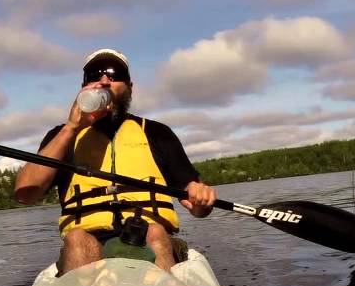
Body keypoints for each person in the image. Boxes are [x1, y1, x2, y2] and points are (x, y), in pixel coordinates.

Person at [14, 48, 217, 274]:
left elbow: (198, 208)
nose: (104, 81)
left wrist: (200, 199)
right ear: (84, 87)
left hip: (151, 236)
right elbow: (25, 194)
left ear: (130, 87)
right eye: (94, 75)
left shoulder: (158, 133)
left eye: (114, 74)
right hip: (87, 243)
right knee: (78, 239)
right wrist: (71, 128)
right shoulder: (62, 137)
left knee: (155, 233)